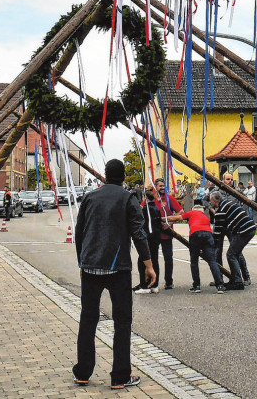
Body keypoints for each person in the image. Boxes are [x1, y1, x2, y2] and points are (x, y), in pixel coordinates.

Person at [72, 160, 153, 389]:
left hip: (90, 267)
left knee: (88, 319)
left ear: (105, 175)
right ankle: (119, 376)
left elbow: (80, 232)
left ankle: (83, 372)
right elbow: (138, 233)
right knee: (122, 322)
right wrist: (148, 264)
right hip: (118, 268)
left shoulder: (89, 197)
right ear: (123, 176)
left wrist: (82, 260)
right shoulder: (128, 198)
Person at [165, 204, 226, 294]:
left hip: (195, 234)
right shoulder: (205, 217)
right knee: (212, 261)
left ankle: (196, 285)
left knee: (194, 261)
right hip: (208, 234)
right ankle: (220, 285)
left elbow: (177, 218)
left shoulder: (191, 213)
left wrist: (163, 218)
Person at [209, 190, 256, 290]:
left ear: (214, 200)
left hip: (244, 230)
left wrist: (210, 246)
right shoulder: (228, 203)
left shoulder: (220, 211)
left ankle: (237, 281)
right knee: (236, 253)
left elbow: (217, 233)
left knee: (231, 254)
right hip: (249, 227)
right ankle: (240, 278)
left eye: (210, 201)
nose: (210, 203)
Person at [153, 178, 183, 290]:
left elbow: (180, 212)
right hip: (154, 233)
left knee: (168, 258)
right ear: (155, 186)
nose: (162, 188)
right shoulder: (151, 199)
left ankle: (168, 282)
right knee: (153, 258)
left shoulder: (169, 198)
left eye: (163, 185)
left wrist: (170, 222)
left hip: (167, 232)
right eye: (160, 186)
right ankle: (154, 281)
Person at [135, 184, 164, 295]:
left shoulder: (145, 209)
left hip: (148, 237)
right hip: (156, 237)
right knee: (154, 260)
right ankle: (154, 285)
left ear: (145, 198)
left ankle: (145, 285)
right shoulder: (156, 209)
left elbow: (142, 224)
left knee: (143, 261)